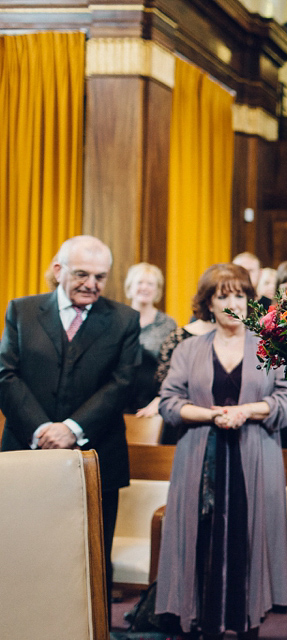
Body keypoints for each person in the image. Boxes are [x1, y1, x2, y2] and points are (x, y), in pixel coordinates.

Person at [155, 263, 287, 639]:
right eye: (223, 296)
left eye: (239, 294)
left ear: (250, 300)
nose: (232, 302)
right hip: (199, 456)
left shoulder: (270, 346)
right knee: (199, 536)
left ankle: (246, 621)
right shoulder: (188, 349)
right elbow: (169, 404)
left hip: (255, 455)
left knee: (247, 538)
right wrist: (211, 415)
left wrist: (245, 412)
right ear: (208, 303)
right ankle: (199, 622)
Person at [0, 235, 141, 615]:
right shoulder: (22, 311)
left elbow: (122, 383)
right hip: (24, 453)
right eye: (82, 274)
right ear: (59, 270)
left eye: (100, 276)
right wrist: (43, 429)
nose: (91, 284)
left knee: (91, 557)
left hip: (97, 456)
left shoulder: (125, 320)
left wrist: (72, 428)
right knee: (21, 553)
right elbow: (6, 375)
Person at [125, 262, 177, 416]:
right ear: (130, 287)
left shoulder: (168, 324)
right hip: (120, 396)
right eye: (139, 282)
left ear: (157, 290)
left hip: (153, 400)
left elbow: (173, 365)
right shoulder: (118, 319)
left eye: (150, 284)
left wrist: (160, 399)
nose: (145, 287)